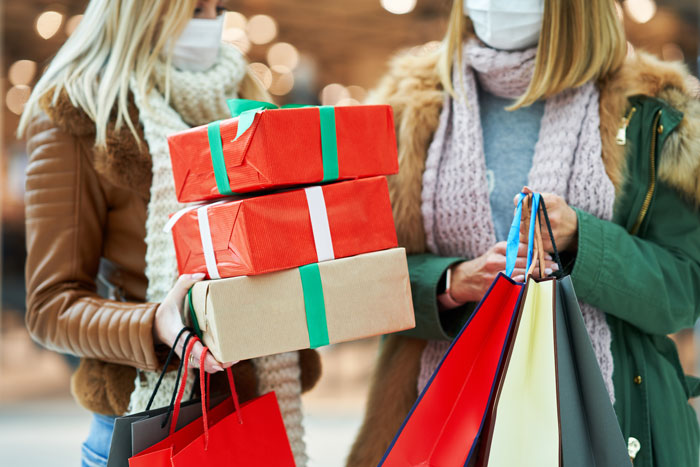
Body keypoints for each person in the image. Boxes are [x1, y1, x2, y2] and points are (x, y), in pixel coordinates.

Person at [348, 1, 700, 466]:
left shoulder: (653, 110)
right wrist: (446, 283)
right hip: (443, 423)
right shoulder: (404, 108)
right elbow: (354, 278)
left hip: (605, 419)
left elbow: (683, 290)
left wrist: (583, 241)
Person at [18, 1, 319, 465]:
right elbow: (49, 307)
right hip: (156, 420)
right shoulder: (78, 116)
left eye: (217, 7)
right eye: (193, 8)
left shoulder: (246, 99)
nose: (210, 21)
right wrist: (155, 325)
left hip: (254, 414)